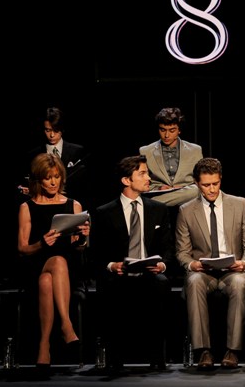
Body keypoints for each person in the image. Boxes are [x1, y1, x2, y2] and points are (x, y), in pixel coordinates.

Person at [88, 155, 175, 372]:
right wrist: (112, 265)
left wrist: (162, 264)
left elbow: (167, 248)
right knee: (111, 285)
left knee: (161, 283)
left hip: (150, 272)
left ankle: (158, 356)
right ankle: (115, 358)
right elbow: (96, 254)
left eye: (148, 173)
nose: (148, 178)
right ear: (126, 180)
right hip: (119, 274)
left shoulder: (159, 209)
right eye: (142, 173)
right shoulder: (104, 212)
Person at [175, 157, 245, 370]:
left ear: (221, 179)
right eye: (206, 185)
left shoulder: (240, 204)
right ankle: (203, 351)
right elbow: (182, 252)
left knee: (240, 282)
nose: (212, 189)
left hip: (233, 271)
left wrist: (244, 263)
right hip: (204, 273)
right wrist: (192, 265)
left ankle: (233, 351)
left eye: (216, 183)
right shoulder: (186, 210)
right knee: (193, 281)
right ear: (196, 183)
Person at [17, 153, 90, 369]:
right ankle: (66, 324)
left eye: (56, 177)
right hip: (36, 263)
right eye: (48, 178)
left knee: (47, 281)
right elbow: (22, 248)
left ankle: (44, 345)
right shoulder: (27, 207)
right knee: (55, 263)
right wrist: (42, 243)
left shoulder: (74, 205)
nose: (53, 182)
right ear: (38, 179)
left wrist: (83, 237)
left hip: (68, 269)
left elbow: (79, 246)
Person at [18, 106, 88, 204]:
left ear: (62, 129)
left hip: (71, 205)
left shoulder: (77, 151)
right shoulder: (33, 155)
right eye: (48, 130)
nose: (52, 135)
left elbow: (84, 184)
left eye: (56, 130)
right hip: (43, 206)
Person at [139, 107, 203, 207]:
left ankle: (151, 205)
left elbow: (201, 179)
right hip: (159, 193)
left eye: (172, 130)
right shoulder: (145, 151)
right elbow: (142, 181)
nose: (166, 135)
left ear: (179, 130)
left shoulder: (195, 150)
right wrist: (158, 188)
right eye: (163, 130)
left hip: (187, 195)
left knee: (196, 190)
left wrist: (182, 188)